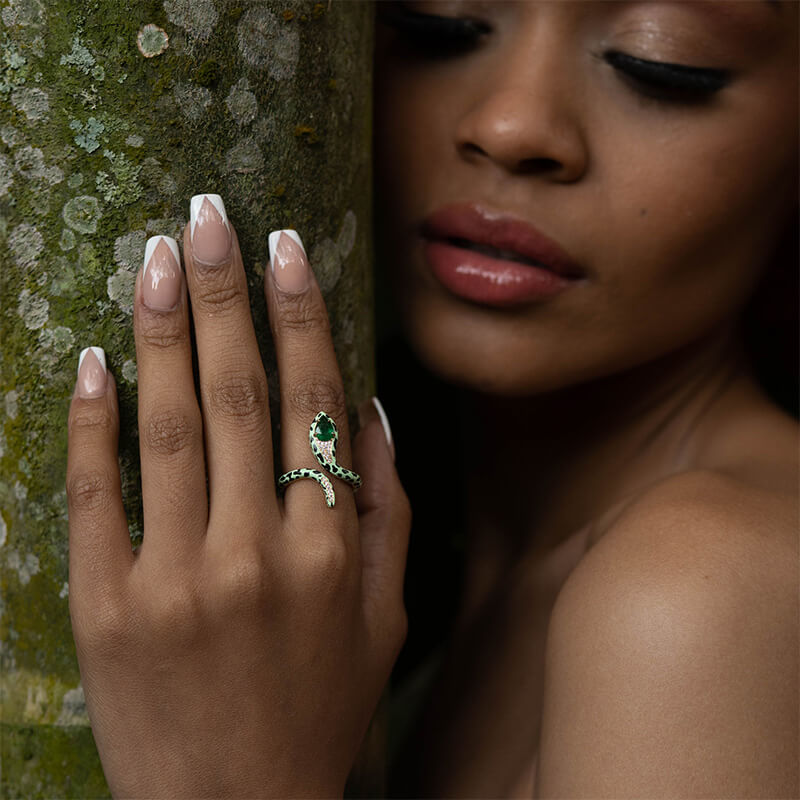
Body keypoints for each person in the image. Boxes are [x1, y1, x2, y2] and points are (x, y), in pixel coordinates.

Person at [66, 2, 798, 797]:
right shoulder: (461, 550)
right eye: (438, 26)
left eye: (660, 65)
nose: (511, 125)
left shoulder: (706, 594)